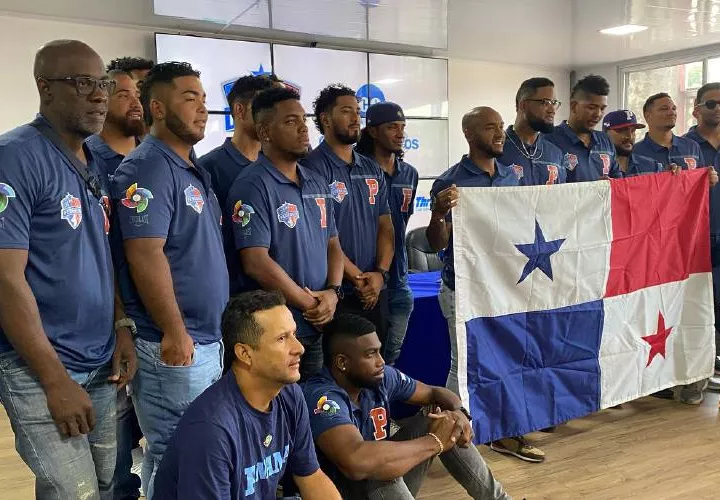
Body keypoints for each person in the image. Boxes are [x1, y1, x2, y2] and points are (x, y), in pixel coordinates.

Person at [0, 39, 136, 499]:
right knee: (72, 492)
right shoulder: (15, 156)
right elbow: (4, 279)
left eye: (101, 83)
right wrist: (55, 381)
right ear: (45, 87)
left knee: (108, 485)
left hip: (100, 359)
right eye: (81, 83)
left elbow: (103, 255)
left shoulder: (98, 161)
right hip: (39, 367)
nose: (98, 95)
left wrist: (121, 325)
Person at [111, 61, 228, 498]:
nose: (202, 109)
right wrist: (175, 330)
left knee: (198, 448)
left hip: (205, 339)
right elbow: (144, 255)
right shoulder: (147, 169)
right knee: (175, 451)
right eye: (189, 98)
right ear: (157, 108)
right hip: (175, 346)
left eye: (203, 98)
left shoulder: (188, 167)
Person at [426, 106, 545, 464]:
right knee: (462, 364)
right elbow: (435, 244)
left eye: (501, 128)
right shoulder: (450, 182)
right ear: (469, 134)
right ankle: (437, 435)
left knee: (509, 359)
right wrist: (438, 213)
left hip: (502, 286)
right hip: (462, 289)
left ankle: (504, 431)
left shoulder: (513, 177)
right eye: (490, 128)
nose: (499, 134)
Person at [153, 290, 341, 499]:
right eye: (281, 338)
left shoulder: (290, 395)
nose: (299, 348)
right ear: (244, 353)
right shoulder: (211, 429)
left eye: (294, 334)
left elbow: (311, 477)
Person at [302, 313, 509, 499]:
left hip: (382, 491)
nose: (381, 361)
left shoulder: (379, 377)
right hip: (339, 493)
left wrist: (458, 412)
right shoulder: (322, 398)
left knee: (442, 418)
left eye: (379, 352)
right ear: (342, 363)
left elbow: (433, 392)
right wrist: (434, 442)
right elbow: (355, 462)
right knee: (382, 468)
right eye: (370, 354)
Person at [226, 87, 343, 379]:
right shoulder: (252, 185)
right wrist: (310, 304)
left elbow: (333, 244)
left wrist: (333, 292)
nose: (303, 128)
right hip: (277, 331)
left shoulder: (315, 181)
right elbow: (255, 261)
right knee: (280, 412)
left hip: (319, 321)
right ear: (264, 131)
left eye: (303, 119)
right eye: (291, 121)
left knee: (311, 409)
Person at [86, 67, 145, 500]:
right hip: (115, 313)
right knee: (115, 441)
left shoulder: (156, 155)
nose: (135, 102)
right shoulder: (87, 159)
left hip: (162, 316)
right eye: (123, 94)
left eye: (138, 94)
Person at [302, 84, 394, 350]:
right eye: (346, 112)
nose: (356, 118)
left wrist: (379, 274)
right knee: (340, 374)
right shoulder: (311, 169)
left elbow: (385, 226)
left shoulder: (371, 167)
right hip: (335, 295)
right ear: (326, 119)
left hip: (375, 292)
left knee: (378, 369)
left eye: (357, 111)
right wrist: (358, 278)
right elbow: (322, 237)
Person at [199, 75, 278, 295]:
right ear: (240, 110)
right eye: (263, 107)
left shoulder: (280, 167)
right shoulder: (209, 167)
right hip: (238, 295)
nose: (272, 117)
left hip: (287, 293)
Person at [354, 101, 419, 365]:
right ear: (372, 131)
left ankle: (384, 406)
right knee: (363, 359)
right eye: (392, 127)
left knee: (389, 358)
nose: (400, 133)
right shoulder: (358, 172)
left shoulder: (410, 174)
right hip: (365, 280)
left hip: (399, 281)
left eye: (402, 127)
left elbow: (402, 223)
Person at [686, 83, 720, 392]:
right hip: (694, 243)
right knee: (697, 312)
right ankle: (694, 385)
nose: (718, 109)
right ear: (697, 109)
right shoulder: (685, 146)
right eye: (711, 104)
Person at [544, 74, 623, 182]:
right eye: (592, 107)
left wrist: (610, 184)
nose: (598, 114)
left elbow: (618, 179)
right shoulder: (548, 140)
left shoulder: (606, 140)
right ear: (573, 106)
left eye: (602, 108)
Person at [500, 77, 566, 185]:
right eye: (545, 102)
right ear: (523, 105)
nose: (552, 110)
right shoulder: (497, 150)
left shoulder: (555, 153)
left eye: (554, 103)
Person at [602, 109, 650, 176]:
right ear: (605, 134)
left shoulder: (651, 166)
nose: (630, 137)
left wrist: (669, 174)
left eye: (633, 130)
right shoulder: (594, 168)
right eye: (621, 130)